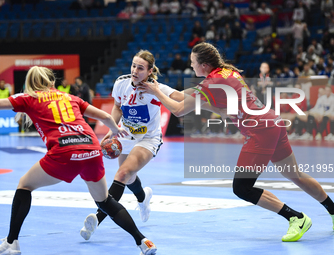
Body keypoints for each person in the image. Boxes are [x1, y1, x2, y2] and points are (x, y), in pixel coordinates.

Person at [138, 42, 334, 242]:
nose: (191, 66)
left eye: (193, 62)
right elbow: (182, 96)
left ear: (204, 65)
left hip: (260, 131)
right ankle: (333, 210)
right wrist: (159, 87)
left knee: (242, 188)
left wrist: (156, 92)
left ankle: (296, 218)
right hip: (272, 122)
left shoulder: (211, 84)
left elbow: (178, 109)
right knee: (296, 174)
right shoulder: (225, 73)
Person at [0, 66, 157, 255]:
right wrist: (114, 132)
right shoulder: (71, 97)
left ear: (30, 85)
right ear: (52, 82)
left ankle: (12, 242)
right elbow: (104, 116)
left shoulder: (28, 98)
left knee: (24, 185)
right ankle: (142, 241)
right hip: (91, 150)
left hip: (64, 152)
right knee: (105, 201)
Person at [80, 50, 185, 240]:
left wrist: (159, 93)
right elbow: (118, 107)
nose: (135, 70)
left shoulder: (157, 88)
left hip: (148, 139)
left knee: (122, 174)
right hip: (125, 135)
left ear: (150, 71)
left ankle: (97, 218)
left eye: (141, 68)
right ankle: (143, 198)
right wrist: (112, 129)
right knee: (128, 177)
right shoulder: (121, 83)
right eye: (134, 65)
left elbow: (182, 99)